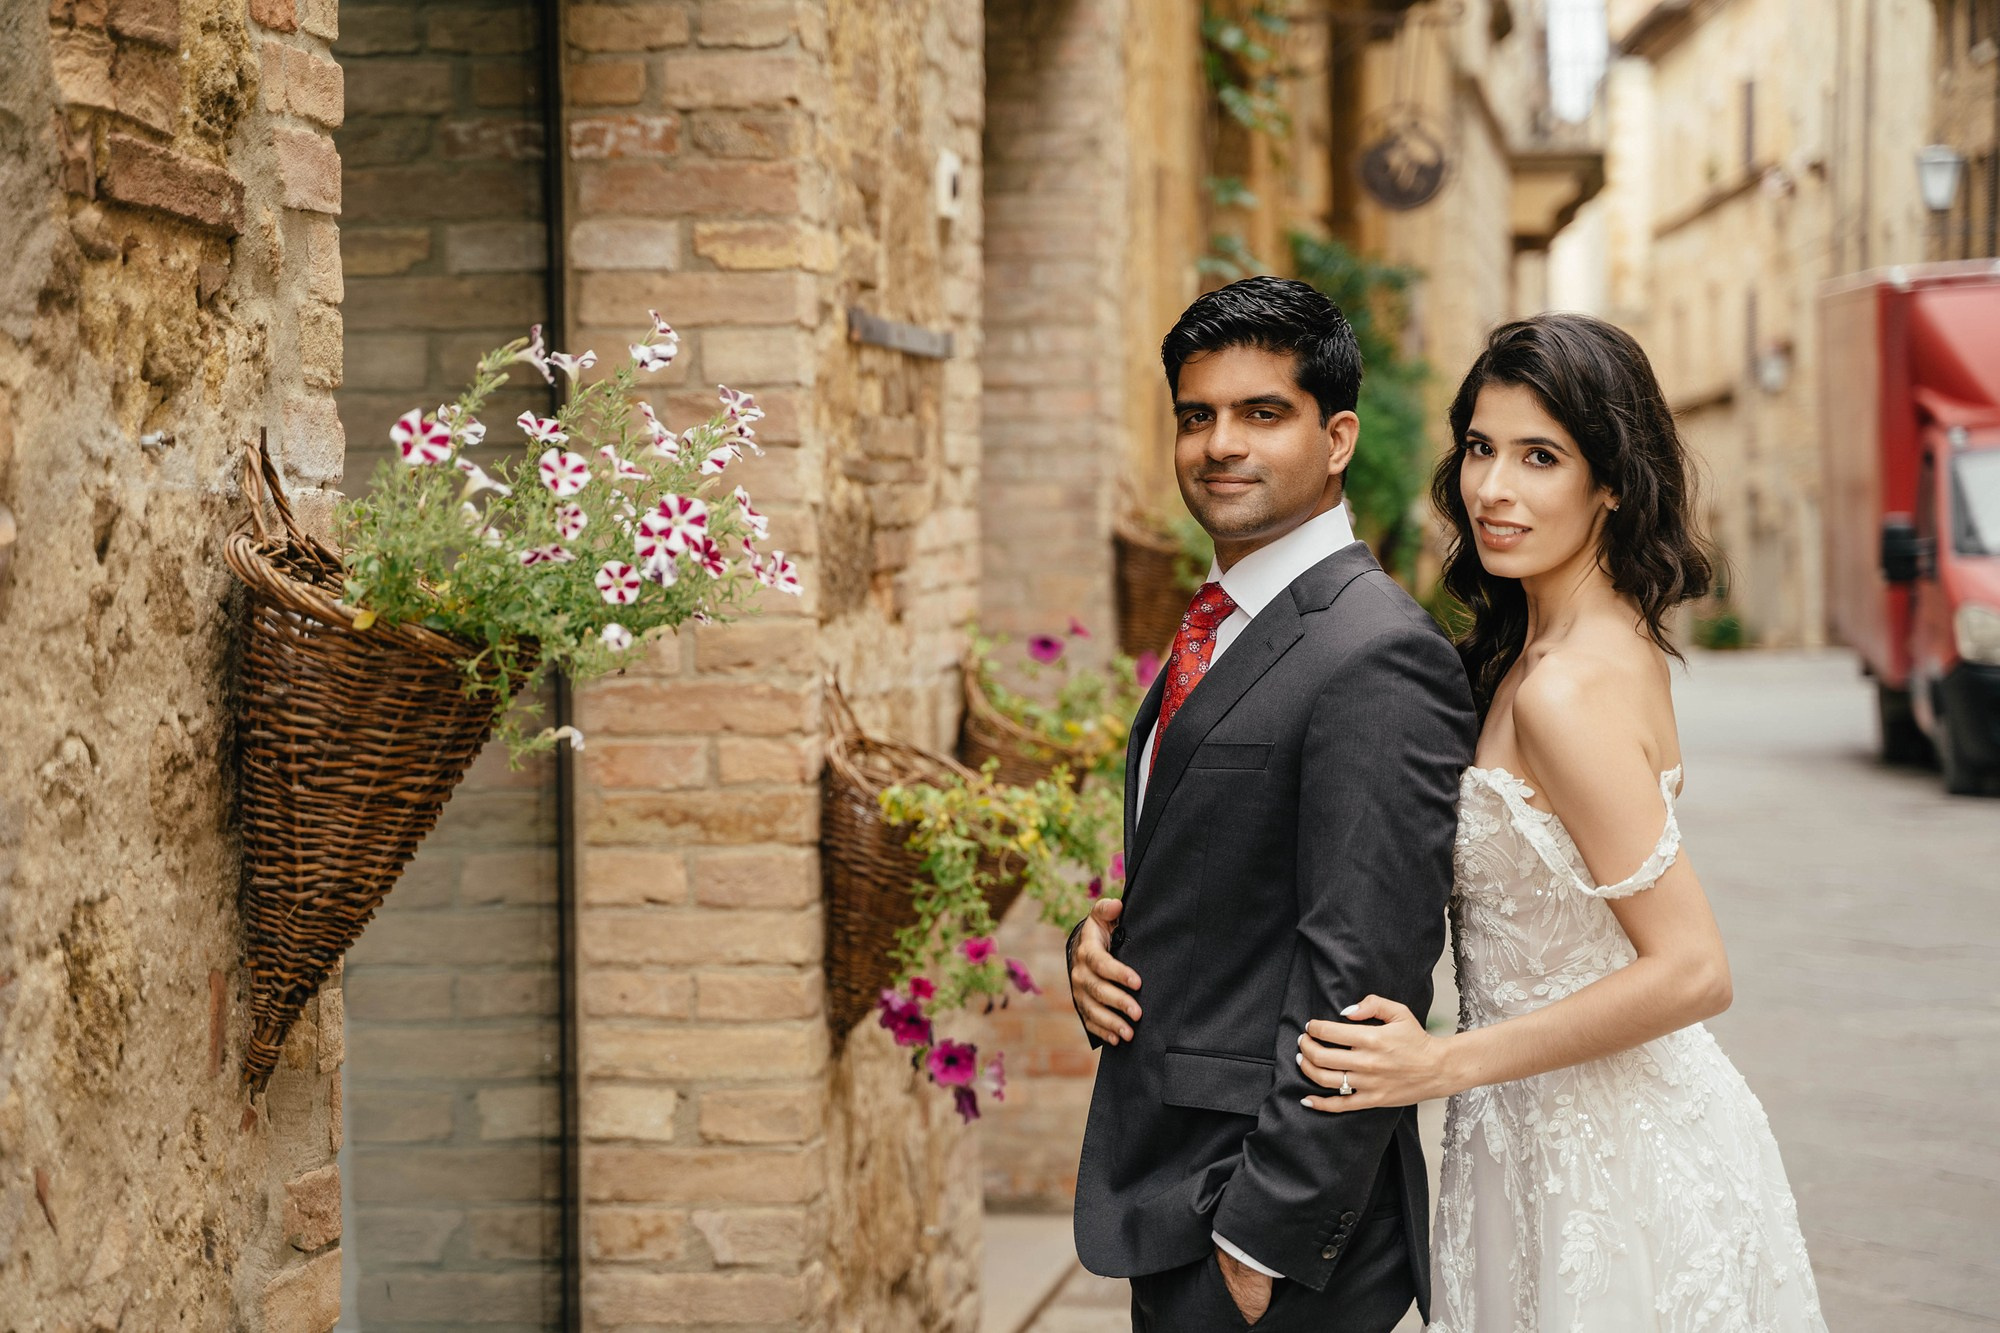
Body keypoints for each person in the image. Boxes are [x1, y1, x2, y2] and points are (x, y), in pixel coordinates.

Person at [1293, 313, 1828, 1331]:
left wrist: (1440, 1062)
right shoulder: (1568, 645)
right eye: (1481, 449)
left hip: (1611, 1163)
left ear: (1611, 480)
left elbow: (1692, 968)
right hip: (1538, 1136)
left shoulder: (1562, 690)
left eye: (1541, 456)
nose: (1492, 490)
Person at [1064, 275, 1477, 1332]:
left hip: (1268, 1227)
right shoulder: (1224, 621)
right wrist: (1105, 942)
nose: (1219, 445)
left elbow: (1365, 969)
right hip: (1170, 1185)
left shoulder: (1373, 651)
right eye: (1195, 416)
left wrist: (1258, 1243)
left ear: (1335, 438)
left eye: (1261, 413)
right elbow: (1220, 858)